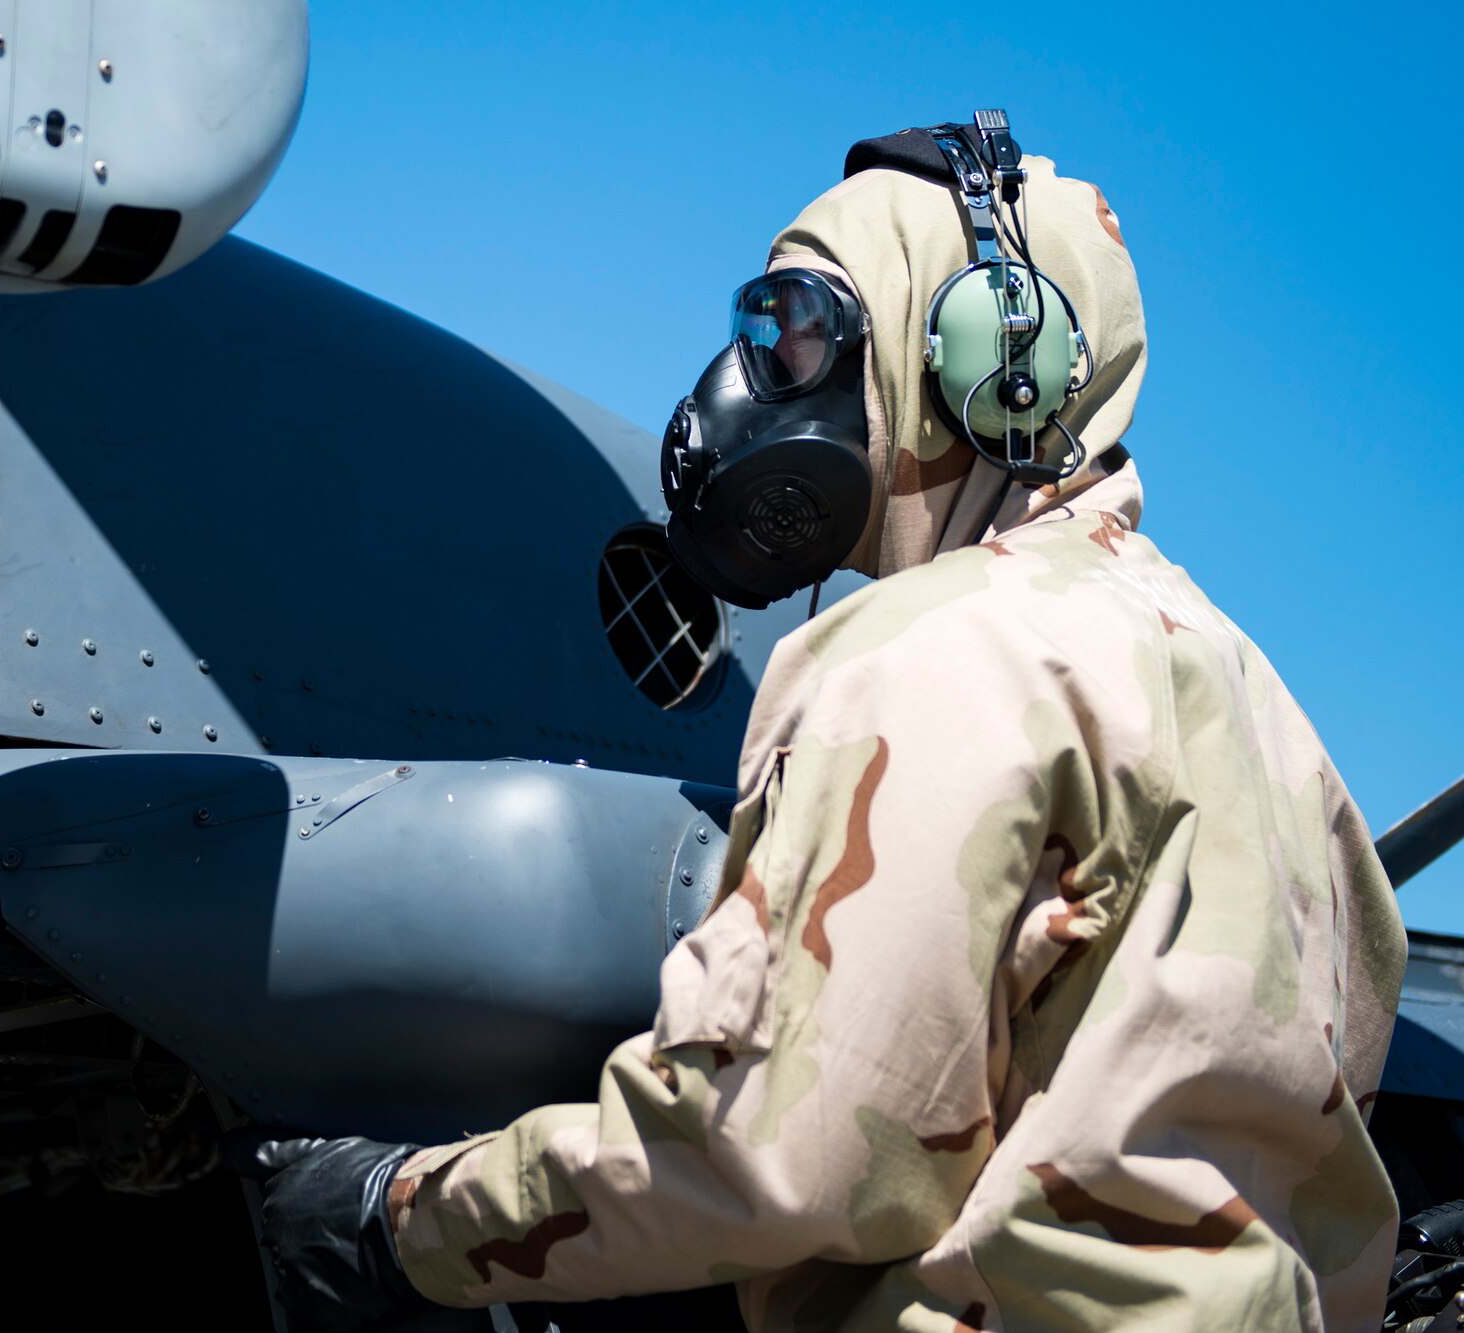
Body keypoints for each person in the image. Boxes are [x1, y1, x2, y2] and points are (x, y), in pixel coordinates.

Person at [239, 118, 1408, 1332]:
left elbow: (762, 1154)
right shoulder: (1262, 711)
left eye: (801, 328)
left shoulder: (933, 649)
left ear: (985, 358)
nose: (755, 380)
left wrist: (395, 1213)